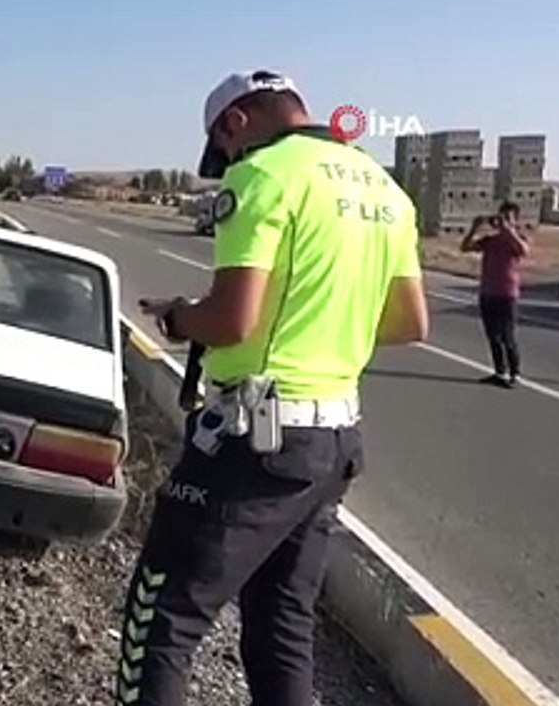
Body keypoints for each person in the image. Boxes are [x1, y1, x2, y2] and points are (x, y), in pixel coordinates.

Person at [115, 70, 429, 706]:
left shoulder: (262, 175)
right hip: (333, 442)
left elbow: (233, 320)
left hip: (257, 439)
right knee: (281, 628)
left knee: (161, 621)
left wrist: (180, 317)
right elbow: (409, 323)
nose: (229, 161)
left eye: (225, 150)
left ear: (236, 123)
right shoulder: (385, 190)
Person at [461, 203, 530, 388]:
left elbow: (523, 250)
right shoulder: (490, 241)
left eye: (508, 218)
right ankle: (499, 372)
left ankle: (514, 374)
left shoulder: (518, 238)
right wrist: (475, 227)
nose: (503, 222)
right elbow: (465, 247)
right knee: (493, 336)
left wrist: (509, 230)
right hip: (488, 293)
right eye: (501, 217)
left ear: (515, 220)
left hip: (507, 294)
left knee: (507, 335)